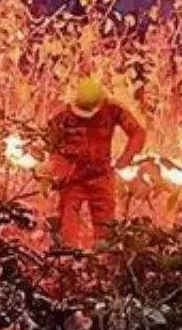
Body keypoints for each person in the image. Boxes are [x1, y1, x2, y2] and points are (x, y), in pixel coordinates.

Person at [45, 77, 146, 250]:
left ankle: (103, 268)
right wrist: (58, 172)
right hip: (72, 180)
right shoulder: (61, 115)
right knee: (67, 231)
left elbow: (137, 132)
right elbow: (51, 147)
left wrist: (125, 158)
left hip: (101, 177)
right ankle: (68, 267)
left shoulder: (113, 109)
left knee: (105, 232)